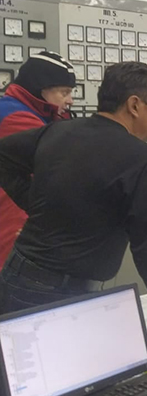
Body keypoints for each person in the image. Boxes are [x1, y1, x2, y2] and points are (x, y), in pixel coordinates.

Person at [0, 62, 147, 344]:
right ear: (134, 105)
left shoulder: (58, 131)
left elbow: (4, 156)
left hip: (18, 277)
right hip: (60, 293)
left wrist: (36, 204)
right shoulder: (142, 158)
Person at [0, 51, 76, 266]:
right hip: (11, 222)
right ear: (41, 90)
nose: (70, 100)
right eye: (64, 92)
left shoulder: (23, 111)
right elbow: (63, 160)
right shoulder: (16, 118)